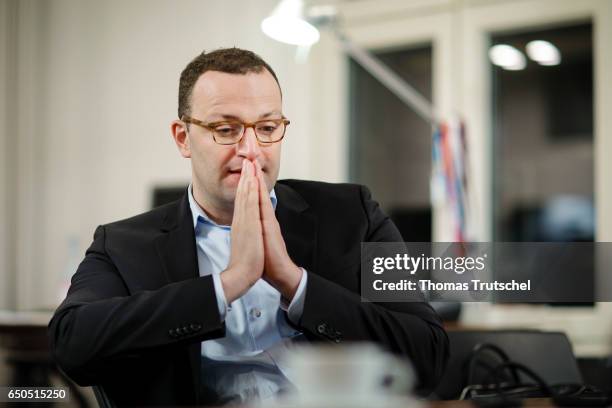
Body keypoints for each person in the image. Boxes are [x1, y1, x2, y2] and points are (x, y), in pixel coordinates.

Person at [48, 48, 448, 406]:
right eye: (226, 130)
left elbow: (429, 356)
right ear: (183, 137)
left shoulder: (354, 215)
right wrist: (228, 283)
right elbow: (72, 346)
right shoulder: (122, 244)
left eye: (268, 128)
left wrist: (294, 282)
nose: (251, 150)